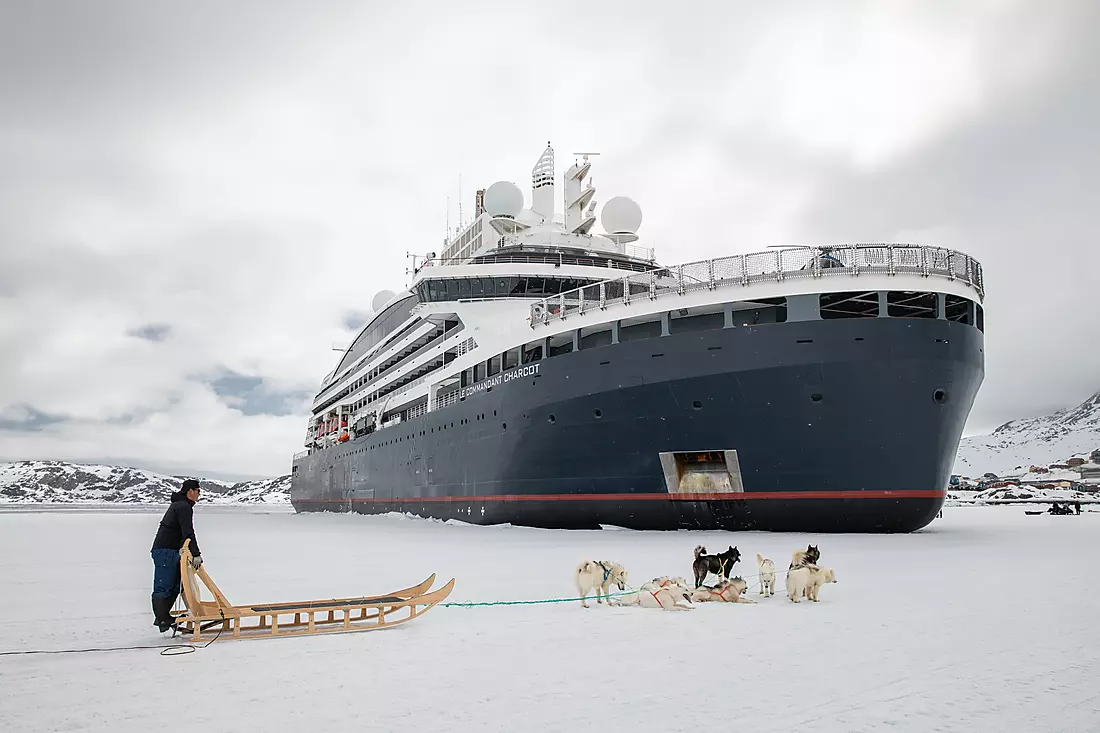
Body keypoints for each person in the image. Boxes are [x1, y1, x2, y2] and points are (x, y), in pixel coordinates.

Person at [150, 479, 203, 632]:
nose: (199, 495)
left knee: (176, 585)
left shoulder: (181, 505)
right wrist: (196, 554)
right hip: (164, 551)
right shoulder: (183, 506)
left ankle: (164, 617)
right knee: (164, 585)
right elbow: (188, 531)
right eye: (198, 491)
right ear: (190, 491)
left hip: (173, 551)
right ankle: (162, 618)